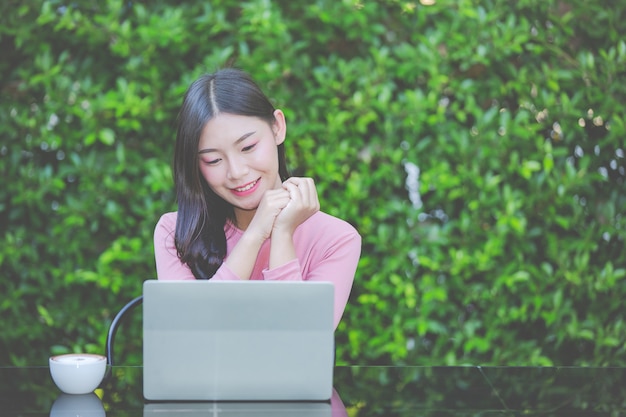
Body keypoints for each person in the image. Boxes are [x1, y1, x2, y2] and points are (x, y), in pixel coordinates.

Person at [153, 68, 361, 330]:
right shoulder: (175, 233)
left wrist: (282, 233)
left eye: (248, 147)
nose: (237, 172)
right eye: (213, 160)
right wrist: (254, 235)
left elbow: (301, 342)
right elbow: (193, 332)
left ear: (278, 128)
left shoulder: (337, 239)